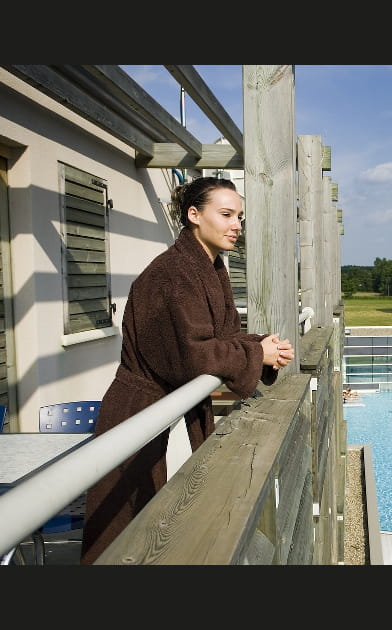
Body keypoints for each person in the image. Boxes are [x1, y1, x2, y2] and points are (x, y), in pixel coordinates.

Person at [80, 176, 294, 564]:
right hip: (135, 409)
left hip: (159, 404)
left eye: (240, 217)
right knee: (119, 529)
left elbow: (222, 336)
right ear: (194, 215)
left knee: (142, 520)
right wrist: (254, 355)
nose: (236, 226)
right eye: (227, 214)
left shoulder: (210, 267)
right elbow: (193, 354)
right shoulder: (172, 274)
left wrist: (262, 346)